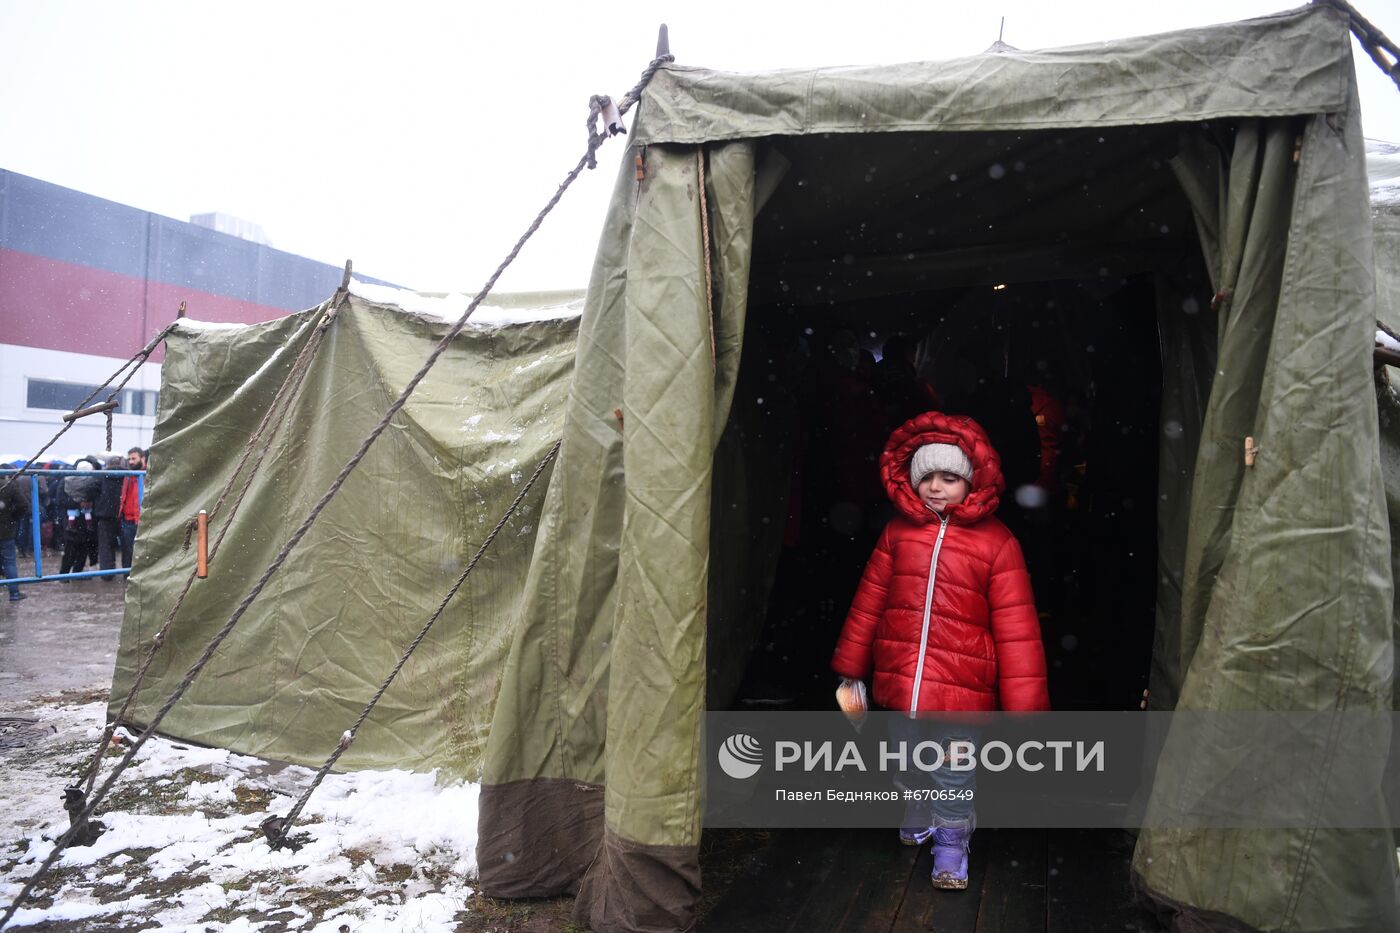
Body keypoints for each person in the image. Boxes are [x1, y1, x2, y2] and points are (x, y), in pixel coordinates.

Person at [830, 411, 1049, 890]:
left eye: (949, 477)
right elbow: (868, 603)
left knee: (953, 773)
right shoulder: (896, 534)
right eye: (925, 476)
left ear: (970, 483)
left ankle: (952, 843)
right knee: (906, 761)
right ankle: (917, 805)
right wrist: (851, 667)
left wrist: (1024, 708)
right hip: (902, 681)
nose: (935, 487)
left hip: (962, 692)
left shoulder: (997, 544)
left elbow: (1017, 627)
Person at [94, 455, 125, 580]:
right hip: (123, 515)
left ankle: (107, 574)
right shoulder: (127, 475)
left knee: (106, 547)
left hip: (105, 515)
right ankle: (128, 573)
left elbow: (92, 491)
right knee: (127, 546)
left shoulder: (101, 476)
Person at [1, 476, 30, 601]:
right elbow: (23, 505)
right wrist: (12, 517)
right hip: (5, 529)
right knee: (9, 562)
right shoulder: (9, 485)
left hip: (6, 527)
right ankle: (14, 593)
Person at [117, 447, 144, 570]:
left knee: (142, 552)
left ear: (142, 459)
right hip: (127, 520)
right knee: (127, 551)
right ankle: (127, 576)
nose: (131, 461)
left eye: (134, 458)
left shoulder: (147, 475)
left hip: (142, 519)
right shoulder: (128, 475)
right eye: (129, 459)